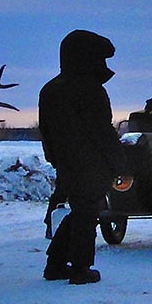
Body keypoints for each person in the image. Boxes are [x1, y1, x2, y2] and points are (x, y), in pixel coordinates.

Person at [39, 29, 126, 284]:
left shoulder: (51, 89)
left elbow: (46, 129)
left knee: (80, 212)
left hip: (66, 162)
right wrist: (118, 163)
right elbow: (102, 130)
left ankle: (55, 264)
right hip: (90, 163)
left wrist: (54, 157)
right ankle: (80, 268)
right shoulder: (90, 89)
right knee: (87, 214)